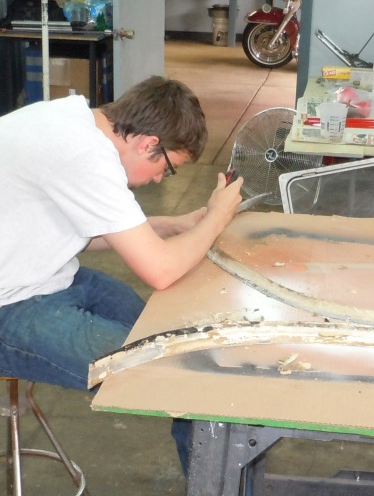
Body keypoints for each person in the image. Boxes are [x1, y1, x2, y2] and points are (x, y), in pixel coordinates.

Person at [0, 75, 243, 391]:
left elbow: (83, 232)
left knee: (158, 330)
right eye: (167, 169)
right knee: (170, 370)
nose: (159, 179)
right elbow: (161, 271)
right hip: (10, 303)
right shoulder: (84, 154)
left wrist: (171, 225)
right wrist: (217, 218)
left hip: (46, 278)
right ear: (148, 144)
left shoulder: (76, 121)